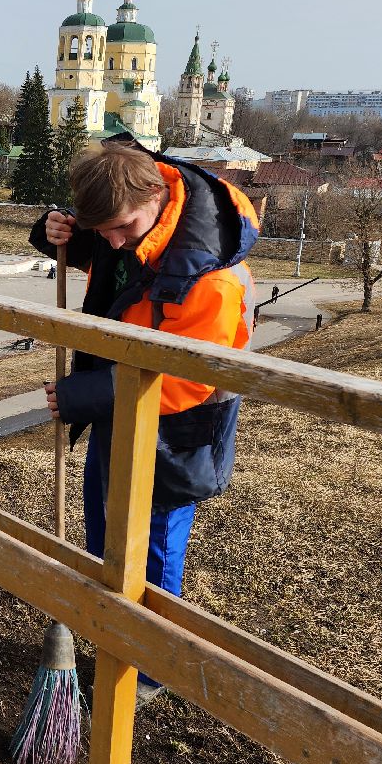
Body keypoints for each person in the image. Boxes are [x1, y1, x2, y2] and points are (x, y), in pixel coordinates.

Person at [30, 136, 258, 693]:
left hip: (178, 429)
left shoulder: (211, 276)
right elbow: (104, 253)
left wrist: (84, 395)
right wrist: (54, 232)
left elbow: (185, 377)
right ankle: (111, 618)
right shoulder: (132, 218)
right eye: (100, 230)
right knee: (105, 528)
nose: (110, 241)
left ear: (155, 197)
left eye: (121, 230)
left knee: (154, 541)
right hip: (119, 406)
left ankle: (151, 660)